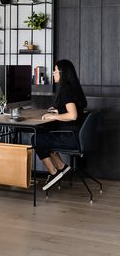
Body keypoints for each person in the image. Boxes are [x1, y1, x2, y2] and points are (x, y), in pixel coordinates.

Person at [33, 59, 87, 191]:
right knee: (43, 135)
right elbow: (76, 111)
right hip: (76, 135)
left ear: (62, 74)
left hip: (70, 138)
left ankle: (54, 172)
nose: (53, 73)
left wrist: (54, 116)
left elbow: (73, 115)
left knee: (36, 138)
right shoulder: (73, 89)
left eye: (55, 70)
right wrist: (59, 110)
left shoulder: (66, 91)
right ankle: (62, 167)